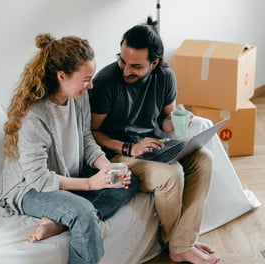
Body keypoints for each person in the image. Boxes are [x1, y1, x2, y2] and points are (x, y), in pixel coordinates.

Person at [0, 33, 139, 264]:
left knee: (128, 181)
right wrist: (90, 184)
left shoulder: (79, 98)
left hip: (65, 176)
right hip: (30, 189)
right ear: (61, 76)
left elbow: (87, 139)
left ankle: (58, 220)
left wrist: (107, 169)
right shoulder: (35, 116)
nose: (91, 85)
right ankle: (70, 218)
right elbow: (38, 178)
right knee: (83, 213)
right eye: (86, 79)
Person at [88, 17, 220, 264]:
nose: (126, 70)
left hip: (153, 147)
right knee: (172, 177)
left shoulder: (165, 76)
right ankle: (178, 244)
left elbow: (165, 120)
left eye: (136, 66)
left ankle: (183, 242)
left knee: (204, 160)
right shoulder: (107, 81)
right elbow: (93, 133)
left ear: (155, 62)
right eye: (122, 60)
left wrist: (180, 120)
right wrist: (130, 147)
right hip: (119, 154)